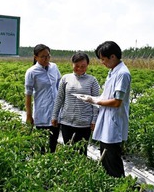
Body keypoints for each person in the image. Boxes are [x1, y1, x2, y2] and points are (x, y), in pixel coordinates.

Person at [86, 41, 131, 177]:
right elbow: (108, 96)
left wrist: (96, 100)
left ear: (113, 57)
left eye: (103, 59)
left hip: (114, 122)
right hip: (107, 120)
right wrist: (93, 99)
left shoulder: (122, 74)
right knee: (105, 159)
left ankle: (120, 186)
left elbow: (117, 102)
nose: (102, 62)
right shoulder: (113, 72)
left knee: (113, 161)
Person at [51, 52, 100, 156]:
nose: (80, 69)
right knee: (68, 150)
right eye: (77, 66)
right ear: (72, 64)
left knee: (82, 152)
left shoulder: (92, 80)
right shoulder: (65, 78)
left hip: (84, 123)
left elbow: (96, 102)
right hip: (66, 122)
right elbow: (59, 98)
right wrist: (55, 115)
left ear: (87, 65)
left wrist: (94, 120)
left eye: (83, 66)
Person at [24, 44, 61, 153]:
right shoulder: (31, 72)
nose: (46, 59)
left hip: (56, 112)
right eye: (43, 57)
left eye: (48, 56)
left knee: (53, 144)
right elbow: (28, 94)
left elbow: (59, 85)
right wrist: (29, 115)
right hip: (42, 112)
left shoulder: (54, 67)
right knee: (42, 146)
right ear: (36, 57)